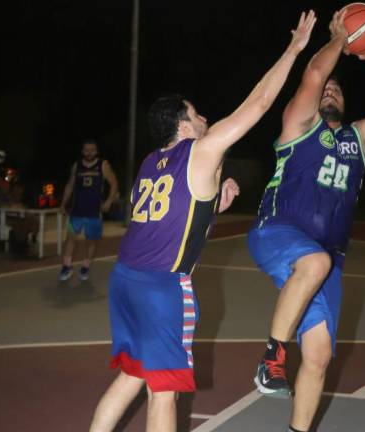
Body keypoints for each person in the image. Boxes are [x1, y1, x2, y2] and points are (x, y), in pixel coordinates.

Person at [88, 11, 316, 432]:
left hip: (126, 279)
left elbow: (170, 223)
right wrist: (294, 49)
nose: (206, 119)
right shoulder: (201, 150)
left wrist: (212, 206)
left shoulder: (148, 164)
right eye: (197, 114)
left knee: (132, 375)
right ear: (182, 123)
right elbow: (260, 103)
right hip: (161, 288)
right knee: (164, 392)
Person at [247, 9, 365, 432]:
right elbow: (315, 73)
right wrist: (340, 36)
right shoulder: (299, 125)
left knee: (318, 357)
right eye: (326, 90)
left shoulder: (358, 139)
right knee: (313, 263)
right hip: (279, 231)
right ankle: (272, 357)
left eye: (337, 90)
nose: (330, 91)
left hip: (328, 257)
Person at [58, 140, 119, 281]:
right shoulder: (76, 166)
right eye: (86, 150)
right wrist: (63, 203)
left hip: (94, 212)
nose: (89, 152)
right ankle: (66, 267)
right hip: (76, 211)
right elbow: (70, 185)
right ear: (82, 151)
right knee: (70, 239)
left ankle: (85, 267)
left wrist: (109, 201)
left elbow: (114, 183)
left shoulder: (103, 165)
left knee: (91, 241)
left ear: (96, 151)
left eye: (92, 150)